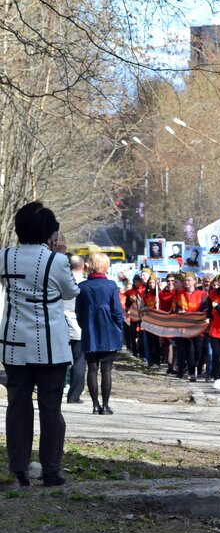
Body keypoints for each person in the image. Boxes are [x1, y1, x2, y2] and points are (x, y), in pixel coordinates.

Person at [3, 202, 79, 487]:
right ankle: (51, 470)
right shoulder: (56, 260)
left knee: (17, 406)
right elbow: (71, 291)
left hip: (14, 343)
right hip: (50, 345)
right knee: (50, 408)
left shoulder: (4, 256)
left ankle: (18, 468)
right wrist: (59, 253)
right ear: (50, 233)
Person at [76, 253, 124, 415]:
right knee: (107, 370)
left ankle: (95, 405)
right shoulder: (111, 285)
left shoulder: (83, 286)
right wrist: (118, 327)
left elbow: (79, 312)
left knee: (92, 368)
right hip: (109, 331)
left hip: (90, 331)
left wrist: (84, 326)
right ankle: (105, 405)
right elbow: (117, 311)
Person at [172, 272, 208, 382]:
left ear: (194, 282)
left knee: (199, 351)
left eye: (189, 280)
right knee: (189, 350)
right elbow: (175, 307)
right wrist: (179, 311)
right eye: (185, 280)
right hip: (185, 326)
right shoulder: (180, 294)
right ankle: (192, 372)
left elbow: (205, 309)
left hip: (198, 326)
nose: (186, 282)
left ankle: (197, 366)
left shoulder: (202, 294)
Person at [64, 254, 87, 404]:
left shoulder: (61, 280)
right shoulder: (84, 284)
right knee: (79, 361)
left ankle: (58, 389)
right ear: (83, 266)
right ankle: (74, 395)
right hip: (78, 326)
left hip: (59, 325)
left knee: (60, 361)